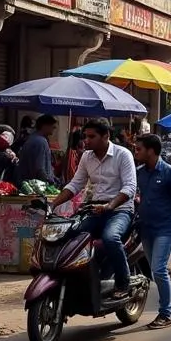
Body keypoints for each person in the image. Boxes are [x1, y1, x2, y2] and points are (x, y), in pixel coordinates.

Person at [52, 119, 138, 301]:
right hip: (93, 209)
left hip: (120, 210)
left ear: (106, 136)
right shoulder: (86, 157)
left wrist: (109, 206)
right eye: (85, 136)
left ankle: (123, 283)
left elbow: (130, 187)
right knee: (69, 234)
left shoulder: (123, 155)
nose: (86, 140)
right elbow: (75, 184)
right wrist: (53, 203)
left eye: (92, 136)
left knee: (110, 238)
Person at [134, 134, 171, 329]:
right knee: (153, 271)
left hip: (165, 229)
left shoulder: (170, 173)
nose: (136, 152)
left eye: (139, 149)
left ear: (151, 151)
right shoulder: (139, 172)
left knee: (159, 269)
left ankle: (165, 314)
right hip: (145, 228)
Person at [17, 113, 57, 185]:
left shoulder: (32, 138)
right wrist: (50, 182)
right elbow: (39, 168)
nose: (54, 128)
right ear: (45, 126)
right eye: (52, 126)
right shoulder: (40, 142)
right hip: (36, 187)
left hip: (28, 183)